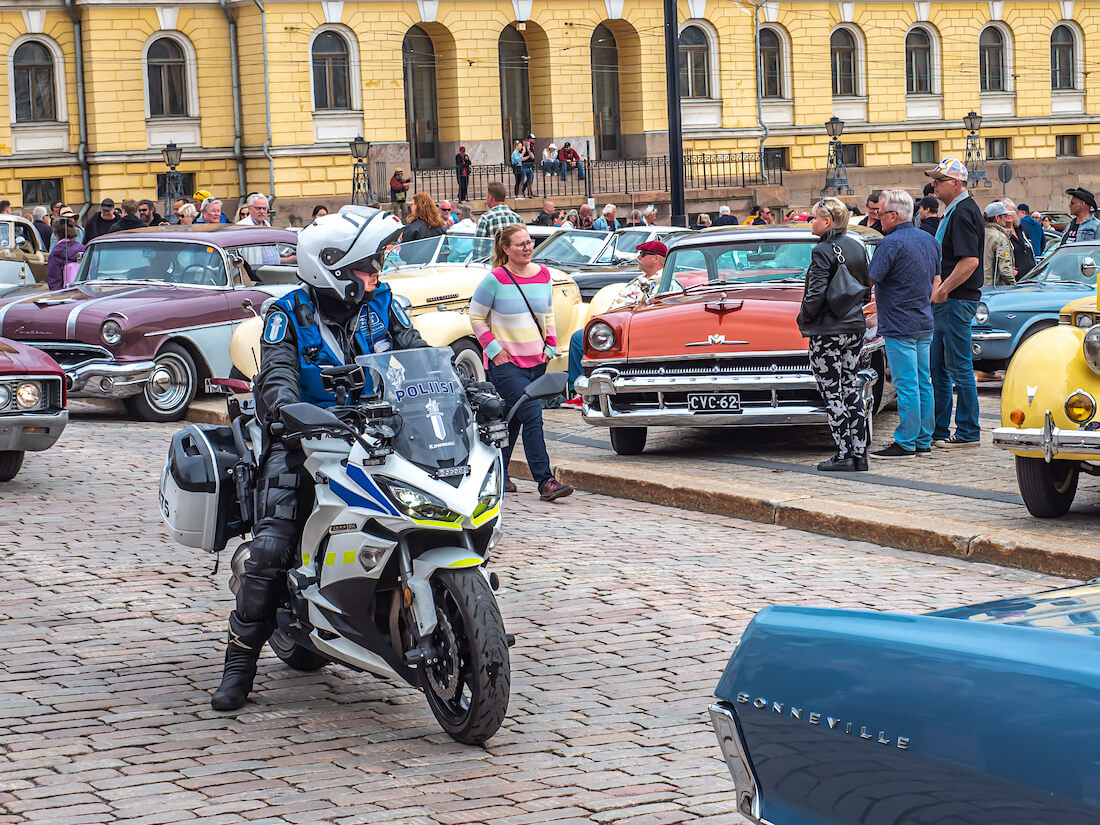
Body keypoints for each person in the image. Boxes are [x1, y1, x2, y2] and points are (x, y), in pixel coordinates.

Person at [211, 206, 427, 712]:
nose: (375, 276)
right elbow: (276, 376)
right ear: (330, 268)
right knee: (271, 548)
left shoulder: (384, 304)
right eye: (365, 268)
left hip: (379, 436)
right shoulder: (285, 315)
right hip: (307, 444)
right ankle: (239, 664)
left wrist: (464, 385)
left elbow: (415, 351)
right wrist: (287, 408)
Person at [470, 224, 572, 502]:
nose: (527, 248)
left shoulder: (543, 275)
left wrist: (550, 346)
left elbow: (548, 313)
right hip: (506, 365)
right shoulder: (496, 279)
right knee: (532, 416)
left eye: (529, 243)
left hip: (537, 361)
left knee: (512, 418)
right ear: (506, 250)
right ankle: (545, 480)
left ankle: (496, 474)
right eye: (520, 244)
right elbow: (476, 317)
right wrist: (494, 350)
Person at [798, 197, 871, 471]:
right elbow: (866, 287)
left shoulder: (822, 251)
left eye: (814, 217)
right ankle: (860, 453)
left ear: (827, 222)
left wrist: (804, 318)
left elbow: (815, 295)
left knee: (831, 392)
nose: (811, 221)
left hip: (828, 329)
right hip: (854, 326)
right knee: (851, 387)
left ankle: (843, 454)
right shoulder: (856, 245)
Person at [867, 189, 939, 459]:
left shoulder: (890, 243)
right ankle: (923, 439)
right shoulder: (928, 240)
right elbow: (936, 280)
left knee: (907, 383)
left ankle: (906, 441)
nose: (877, 217)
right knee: (923, 382)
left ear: (893, 216)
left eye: (880, 213)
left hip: (899, 322)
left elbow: (870, 279)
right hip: (923, 319)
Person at [926, 157, 983, 448]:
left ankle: (968, 431)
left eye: (940, 180)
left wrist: (943, 289)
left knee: (958, 367)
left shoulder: (961, 212)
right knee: (940, 366)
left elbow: (969, 261)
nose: (934, 185)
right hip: (951, 299)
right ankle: (939, 430)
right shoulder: (956, 210)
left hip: (955, 299)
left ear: (956, 183)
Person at [565, 241, 667, 405]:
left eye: (643, 254)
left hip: (635, 327)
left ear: (656, 259)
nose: (638, 257)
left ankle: (588, 392)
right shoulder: (640, 279)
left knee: (581, 338)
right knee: (580, 337)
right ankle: (580, 391)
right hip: (616, 324)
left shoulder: (663, 281)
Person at [982, 201, 1015, 287]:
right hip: (995, 288)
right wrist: (1014, 284)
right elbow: (1005, 269)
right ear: (997, 218)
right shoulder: (1000, 237)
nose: (1006, 219)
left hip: (981, 285)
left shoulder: (981, 233)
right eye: (1004, 216)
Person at [1001, 199, 1035, 280]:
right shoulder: (1000, 234)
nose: (1009, 214)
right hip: (1014, 280)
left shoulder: (1022, 229)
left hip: (1030, 277)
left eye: (1011, 211)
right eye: (1005, 212)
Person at [47, 218, 84, 291]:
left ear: (56, 235)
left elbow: (54, 282)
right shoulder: (84, 250)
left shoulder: (55, 254)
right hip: (84, 293)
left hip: (65, 295)